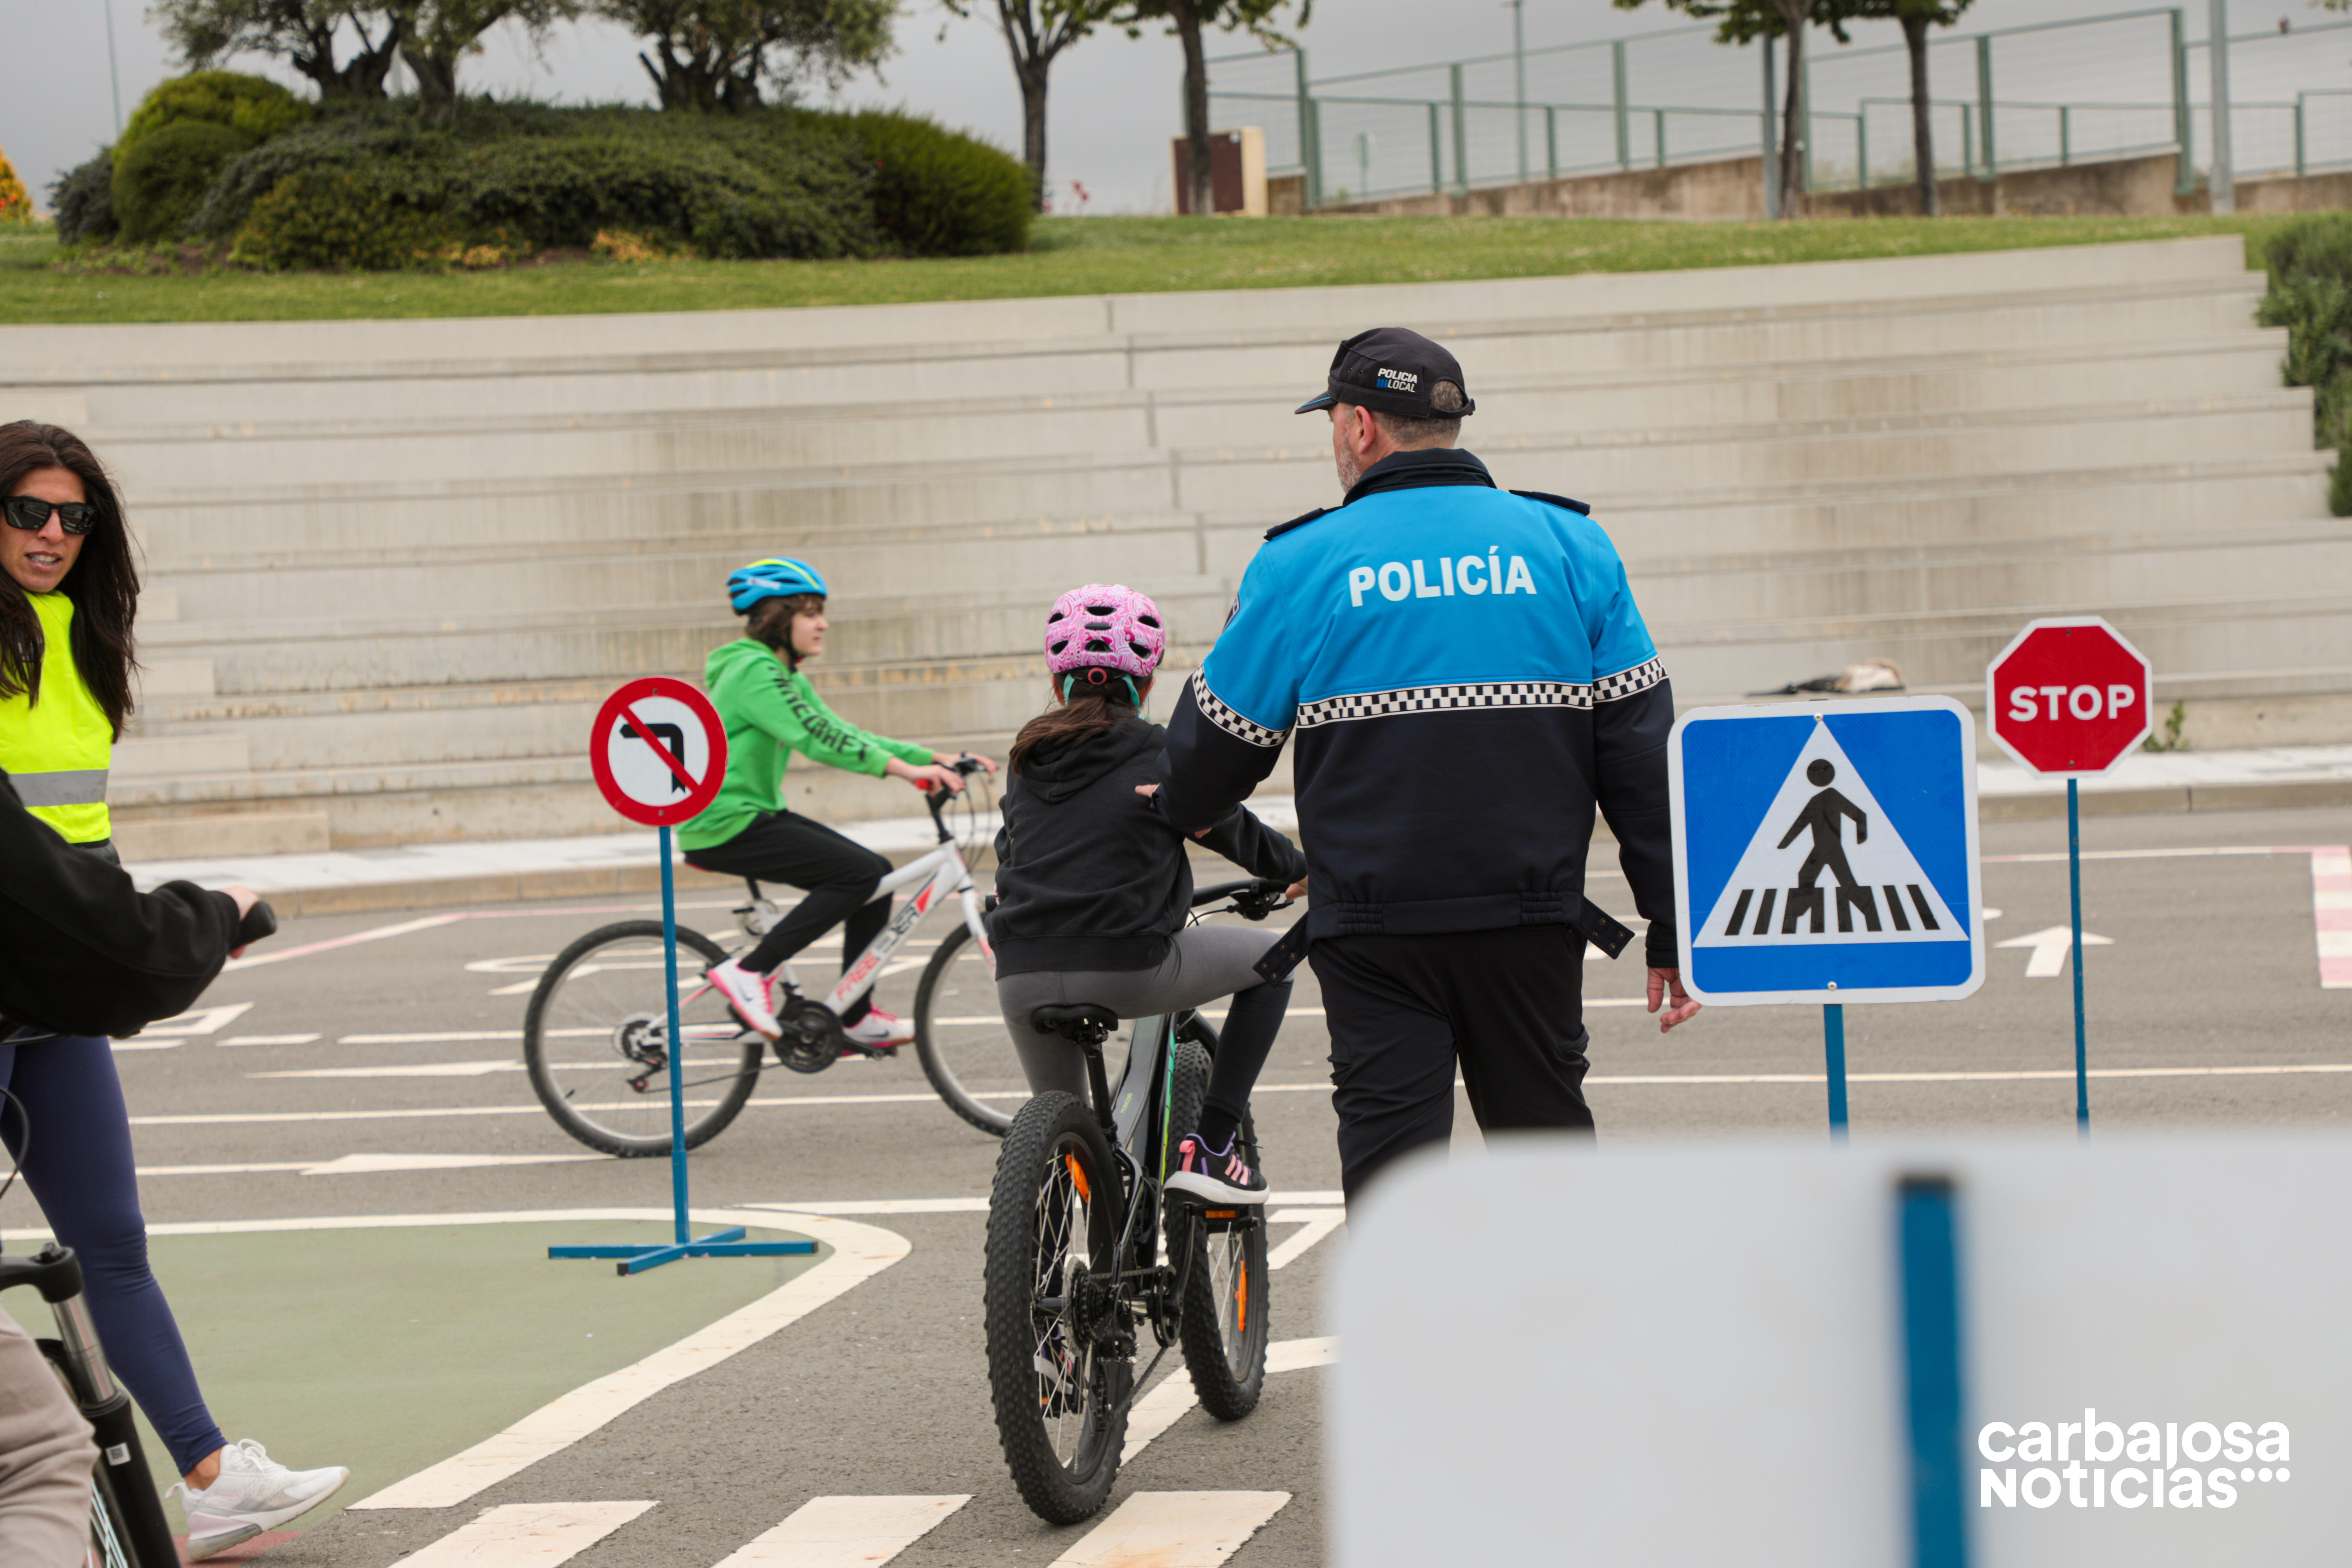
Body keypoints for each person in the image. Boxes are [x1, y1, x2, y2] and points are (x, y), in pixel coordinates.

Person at [1149, 328, 1702, 1204]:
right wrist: (1672, 925)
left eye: (1334, 418)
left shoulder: (1300, 563)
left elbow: (1216, 755)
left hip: (1375, 934)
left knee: (1395, 1184)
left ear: (1362, 425)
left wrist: (1173, 800)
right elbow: (1641, 754)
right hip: (1532, 920)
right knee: (1550, 1159)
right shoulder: (1570, 546)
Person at [0, 422, 348, 1560]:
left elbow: (74, 840)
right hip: (28, 945)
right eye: (28, 512)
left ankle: (210, 1477)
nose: (52, 535)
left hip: (56, 965)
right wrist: (174, 932)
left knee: (109, 1238)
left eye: (75, 517)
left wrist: (148, 932)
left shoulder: (84, 634)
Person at [989, 585, 1306, 1203]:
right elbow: (1221, 822)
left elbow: (1012, 851)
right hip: (1127, 965)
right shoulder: (1161, 752)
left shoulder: (1026, 755)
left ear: (1059, 684)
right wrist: (1297, 866)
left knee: (1062, 1125)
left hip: (1020, 971)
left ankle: (1049, 1253)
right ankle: (1214, 1149)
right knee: (1276, 963)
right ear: (1150, 680)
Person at [684, 558, 997, 1044]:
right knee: (856, 873)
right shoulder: (752, 671)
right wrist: (908, 772)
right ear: (774, 619)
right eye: (809, 613)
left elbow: (846, 732)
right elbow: (818, 738)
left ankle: (853, 1013)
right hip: (724, 821)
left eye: (820, 612)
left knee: (872, 872)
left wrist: (934, 758)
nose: (823, 623)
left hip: (753, 814)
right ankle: (750, 973)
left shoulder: (786, 677)